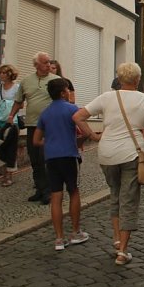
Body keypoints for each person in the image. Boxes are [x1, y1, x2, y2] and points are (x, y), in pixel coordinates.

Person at [73, 62, 144, 266]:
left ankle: (117, 239)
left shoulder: (107, 97)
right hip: (131, 154)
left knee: (115, 196)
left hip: (107, 154)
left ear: (119, 79)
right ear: (137, 80)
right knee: (129, 200)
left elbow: (78, 116)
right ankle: (123, 251)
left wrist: (92, 135)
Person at [34, 78, 91, 251]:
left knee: (56, 196)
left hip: (51, 157)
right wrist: (79, 140)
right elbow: (86, 131)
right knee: (73, 191)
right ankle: (75, 232)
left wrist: (50, 142)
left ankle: (59, 238)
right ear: (62, 93)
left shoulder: (45, 113)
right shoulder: (72, 109)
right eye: (67, 90)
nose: (69, 92)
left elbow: (36, 140)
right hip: (68, 155)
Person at [9, 52, 60, 204]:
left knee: (46, 158)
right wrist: (11, 115)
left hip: (50, 126)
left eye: (49, 62)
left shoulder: (56, 81)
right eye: (45, 62)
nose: (48, 65)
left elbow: (64, 100)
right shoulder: (26, 81)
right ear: (36, 65)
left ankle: (48, 191)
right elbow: (19, 101)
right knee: (35, 159)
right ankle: (39, 188)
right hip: (32, 125)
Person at [0, 64, 20, 187]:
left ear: (10, 74)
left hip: (12, 121)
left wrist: (11, 114)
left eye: (4, 73)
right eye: (0, 72)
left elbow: (20, 104)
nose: (2, 75)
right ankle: (2, 169)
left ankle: (8, 175)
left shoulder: (16, 88)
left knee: (10, 147)